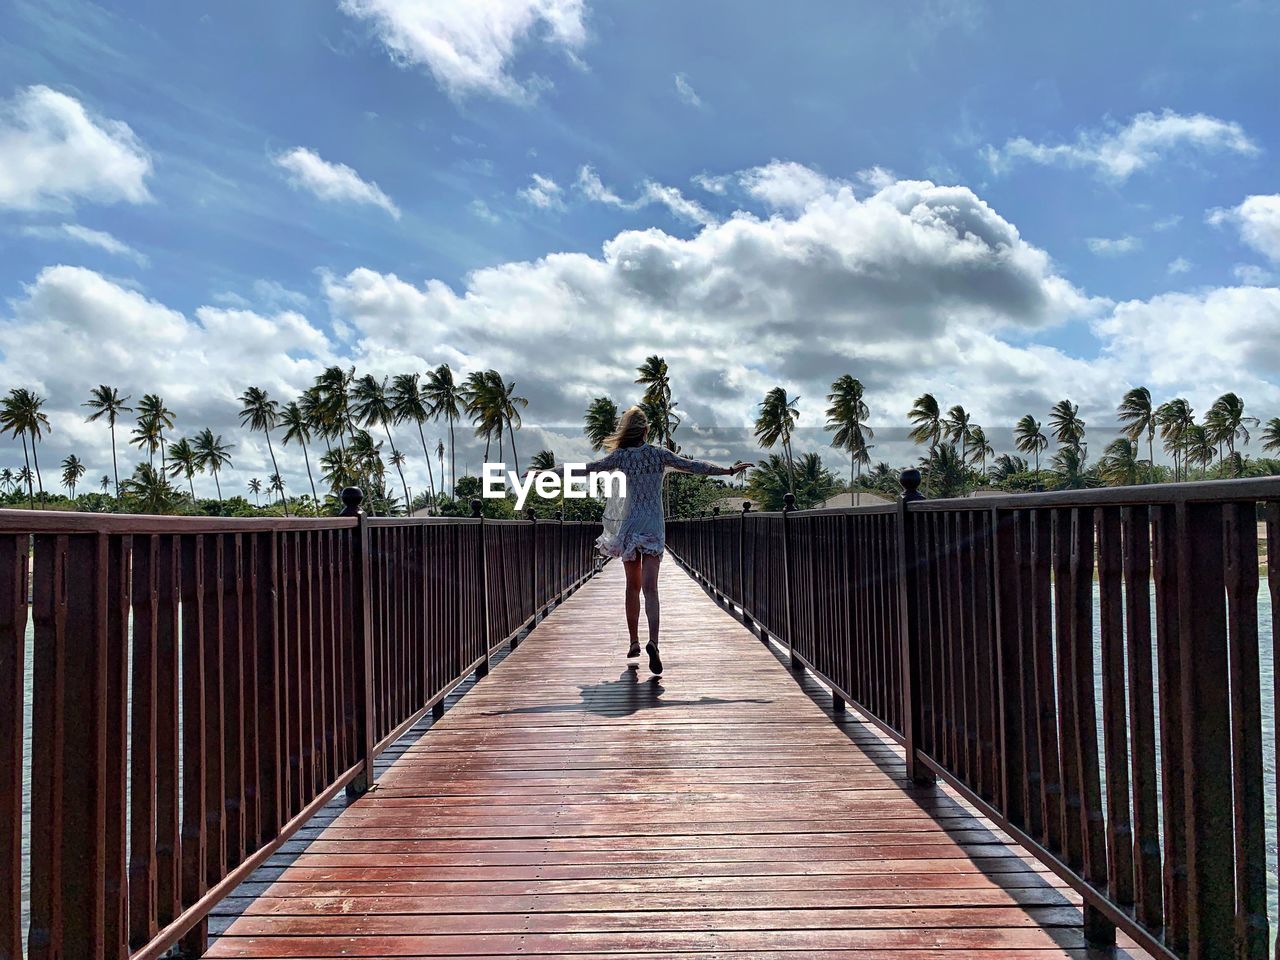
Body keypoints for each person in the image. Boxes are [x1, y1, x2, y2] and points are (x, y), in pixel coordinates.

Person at [535, 405, 751, 675]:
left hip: (630, 526)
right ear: (646, 430)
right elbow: (695, 466)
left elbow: (586, 469)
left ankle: (634, 641)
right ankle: (654, 642)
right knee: (651, 590)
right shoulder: (659, 455)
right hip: (653, 527)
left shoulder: (621, 457)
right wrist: (730, 471)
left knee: (631, 588)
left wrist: (547, 473)